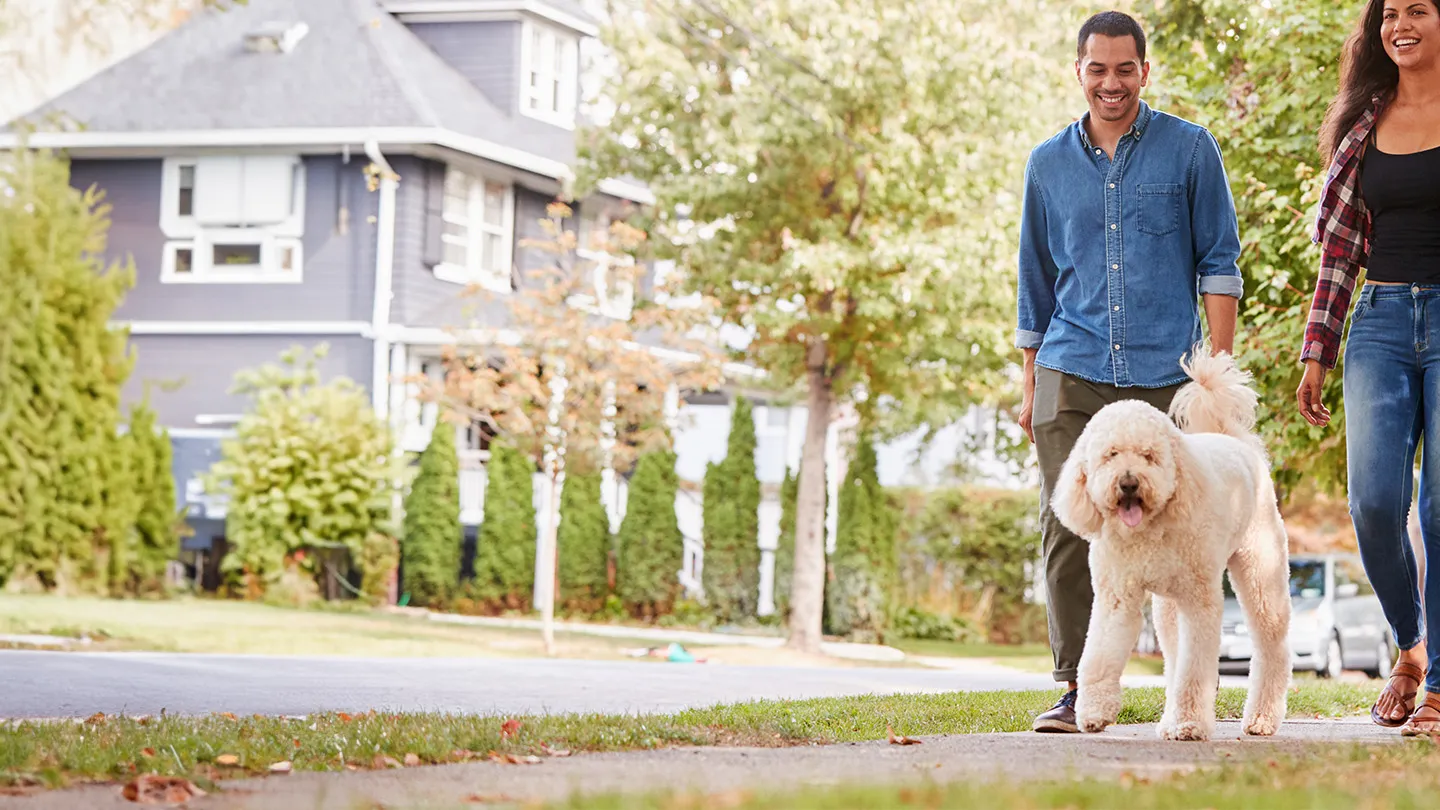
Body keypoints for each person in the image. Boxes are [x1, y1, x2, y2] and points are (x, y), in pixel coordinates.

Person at [1016, 10, 1243, 733]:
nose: (1110, 83)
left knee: (1183, 526)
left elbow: (1219, 263)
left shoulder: (1190, 150)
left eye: (1124, 69)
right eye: (1096, 69)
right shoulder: (1046, 164)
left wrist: (1217, 370)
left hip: (1163, 375)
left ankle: (1187, 686)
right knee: (1068, 526)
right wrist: (1029, 387)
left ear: (1144, 71)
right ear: (1077, 72)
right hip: (1070, 363)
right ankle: (1077, 687)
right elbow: (1034, 281)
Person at [1297, 0, 1440, 736]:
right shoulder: (1364, 124)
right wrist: (1316, 351)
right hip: (1379, 325)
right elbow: (1338, 254)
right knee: (1374, 502)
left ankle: (1439, 686)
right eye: (1390, 13)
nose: (1400, 24)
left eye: (1419, 9)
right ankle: (1410, 649)